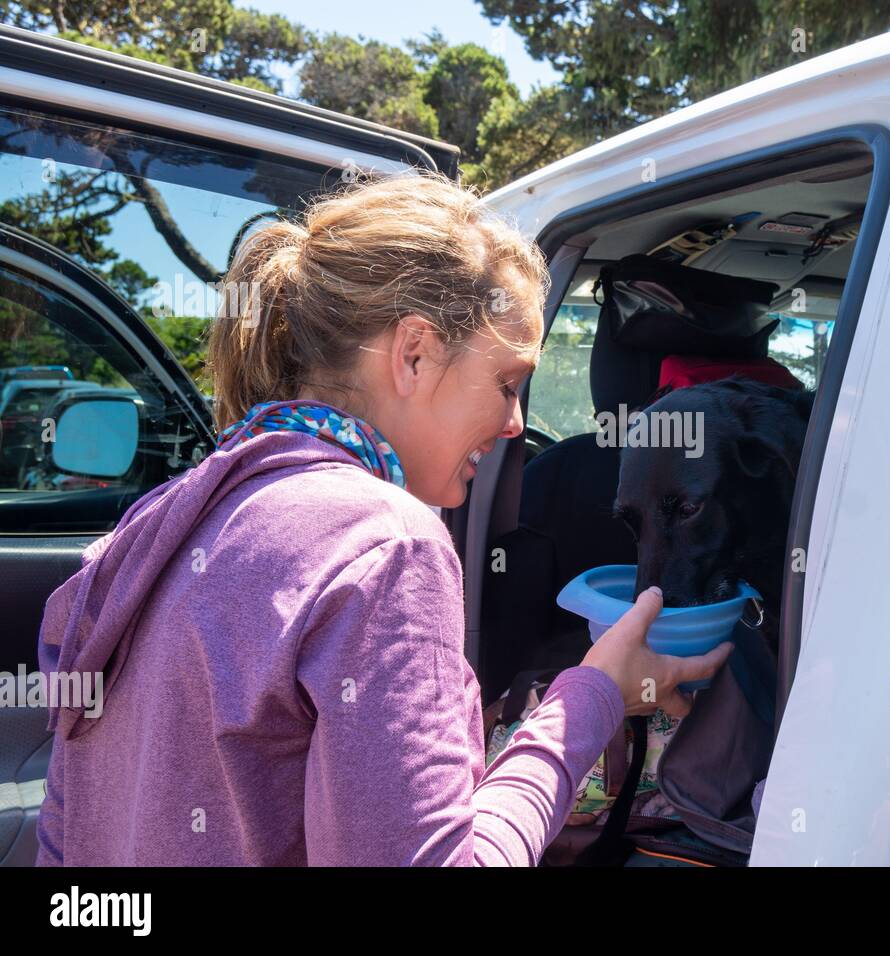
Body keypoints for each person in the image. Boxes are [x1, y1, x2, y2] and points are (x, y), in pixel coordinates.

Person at [35, 170, 732, 866]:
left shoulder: (152, 527)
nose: (518, 423)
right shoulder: (385, 544)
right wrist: (596, 694)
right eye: (507, 382)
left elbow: (64, 843)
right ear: (415, 353)